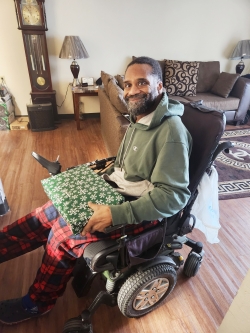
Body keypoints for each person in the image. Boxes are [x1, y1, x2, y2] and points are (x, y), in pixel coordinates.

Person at [0, 56, 192, 325]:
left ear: (159, 86)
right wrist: (94, 177)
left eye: (142, 83)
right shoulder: (140, 118)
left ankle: (37, 303)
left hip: (136, 209)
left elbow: (174, 196)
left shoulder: (171, 132)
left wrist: (117, 214)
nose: (132, 90)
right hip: (114, 191)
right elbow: (126, 168)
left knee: (62, 233)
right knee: (48, 212)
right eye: (127, 84)